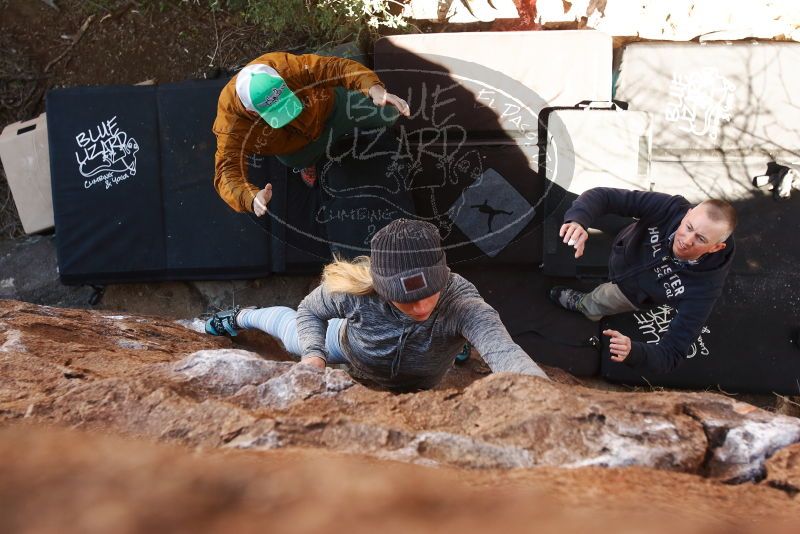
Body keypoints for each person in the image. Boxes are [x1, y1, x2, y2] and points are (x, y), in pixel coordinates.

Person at [205, 219, 549, 391]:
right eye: (405, 297)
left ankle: (457, 347)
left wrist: (545, 396)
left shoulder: (462, 303)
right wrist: (313, 355)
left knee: (456, 331)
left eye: (430, 290)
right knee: (293, 334)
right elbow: (311, 310)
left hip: (421, 381)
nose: (420, 306)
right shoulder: (357, 291)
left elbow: (505, 352)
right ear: (380, 286)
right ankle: (243, 315)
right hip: (351, 347)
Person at [550, 187, 736, 374]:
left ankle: (585, 305)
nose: (686, 241)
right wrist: (578, 221)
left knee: (600, 300)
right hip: (627, 244)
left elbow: (672, 354)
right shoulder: (670, 207)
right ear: (687, 214)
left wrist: (635, 352)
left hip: (630, 293)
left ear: (716, 247)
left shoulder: (705, 288)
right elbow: (603, 196)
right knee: (590, 211)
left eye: (701, 239)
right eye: (688, 227)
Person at [213, 51, 411, 217]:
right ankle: (309, 162)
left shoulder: (289, 67)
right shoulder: (230, 125)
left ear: (282, 81)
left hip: (331, 110)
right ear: (251, 112)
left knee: (389, 112)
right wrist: (249, 197)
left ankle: (352, 128)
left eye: (285, 102)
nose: (288, 115)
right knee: (294, 160)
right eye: (277, 112)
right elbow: (226, 173)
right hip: (297, 147)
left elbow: (337, 67)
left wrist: (373, 88)